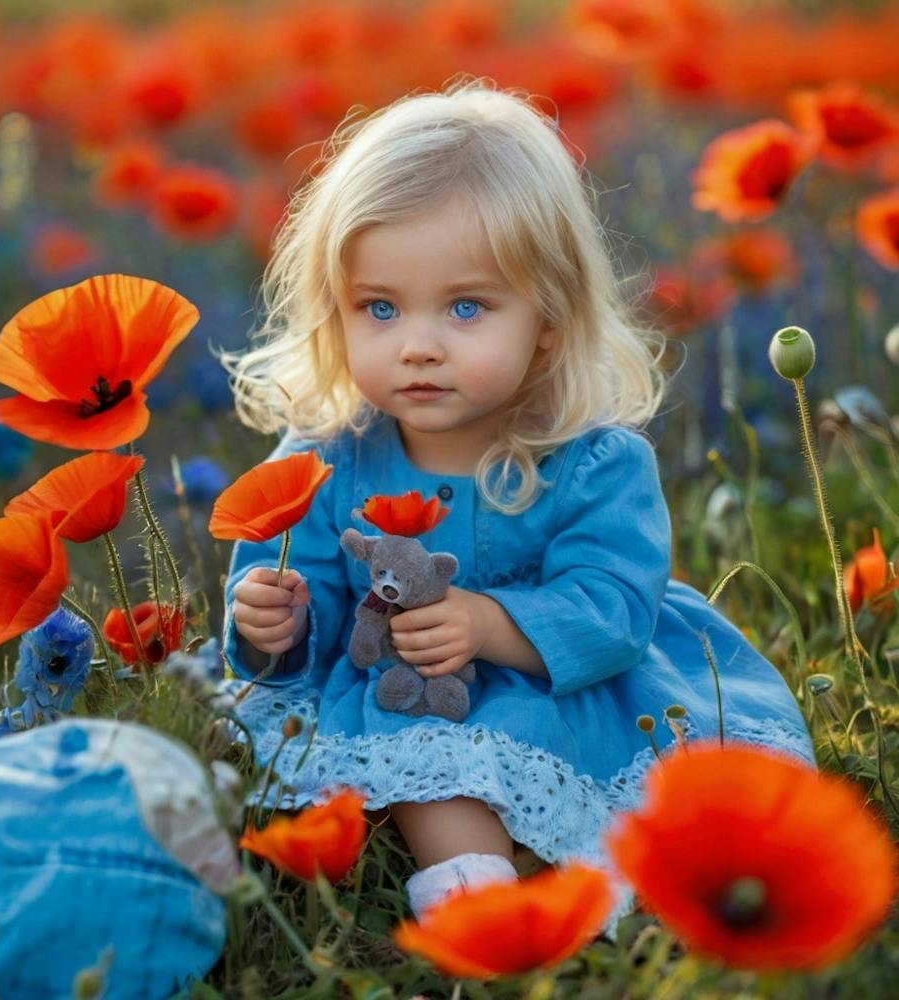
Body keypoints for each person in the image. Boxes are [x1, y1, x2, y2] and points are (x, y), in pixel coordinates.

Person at [219, 77, 814, 920]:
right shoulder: (323, 461)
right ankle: (481, 917)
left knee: (628, 791)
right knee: (436, 766)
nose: (418, 346)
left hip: (574, 693)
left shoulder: (593, 462)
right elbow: (293, 611)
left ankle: (584, 880)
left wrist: (493, 626)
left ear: (549, 318)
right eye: (379, 307)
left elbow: (613, 606)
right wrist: (270, 625)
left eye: (467, 307)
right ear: (334, 310)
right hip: (401, 701)